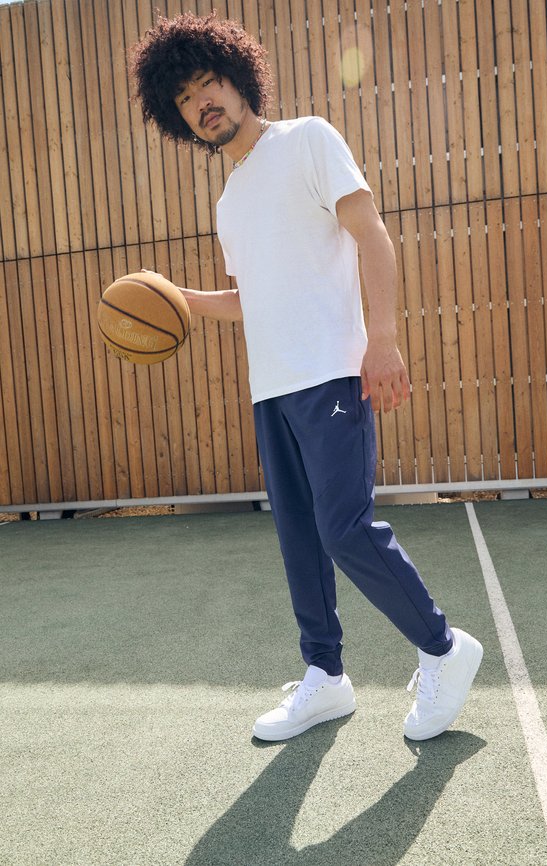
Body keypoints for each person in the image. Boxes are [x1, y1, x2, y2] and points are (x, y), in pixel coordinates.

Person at [130, 12, 483, 742]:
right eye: (185, 98)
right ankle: (326, 676)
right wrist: (176, 299)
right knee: (299, 538)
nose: (202, 102)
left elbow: (371, 234)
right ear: (178, 119)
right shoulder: (229, 202)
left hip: (330, 374)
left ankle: (444, 648)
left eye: (209, 83)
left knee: (344, 529)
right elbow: (250, 298)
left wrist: (382, 340)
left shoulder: (309, 140)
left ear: (239, 78)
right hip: (271, 388)